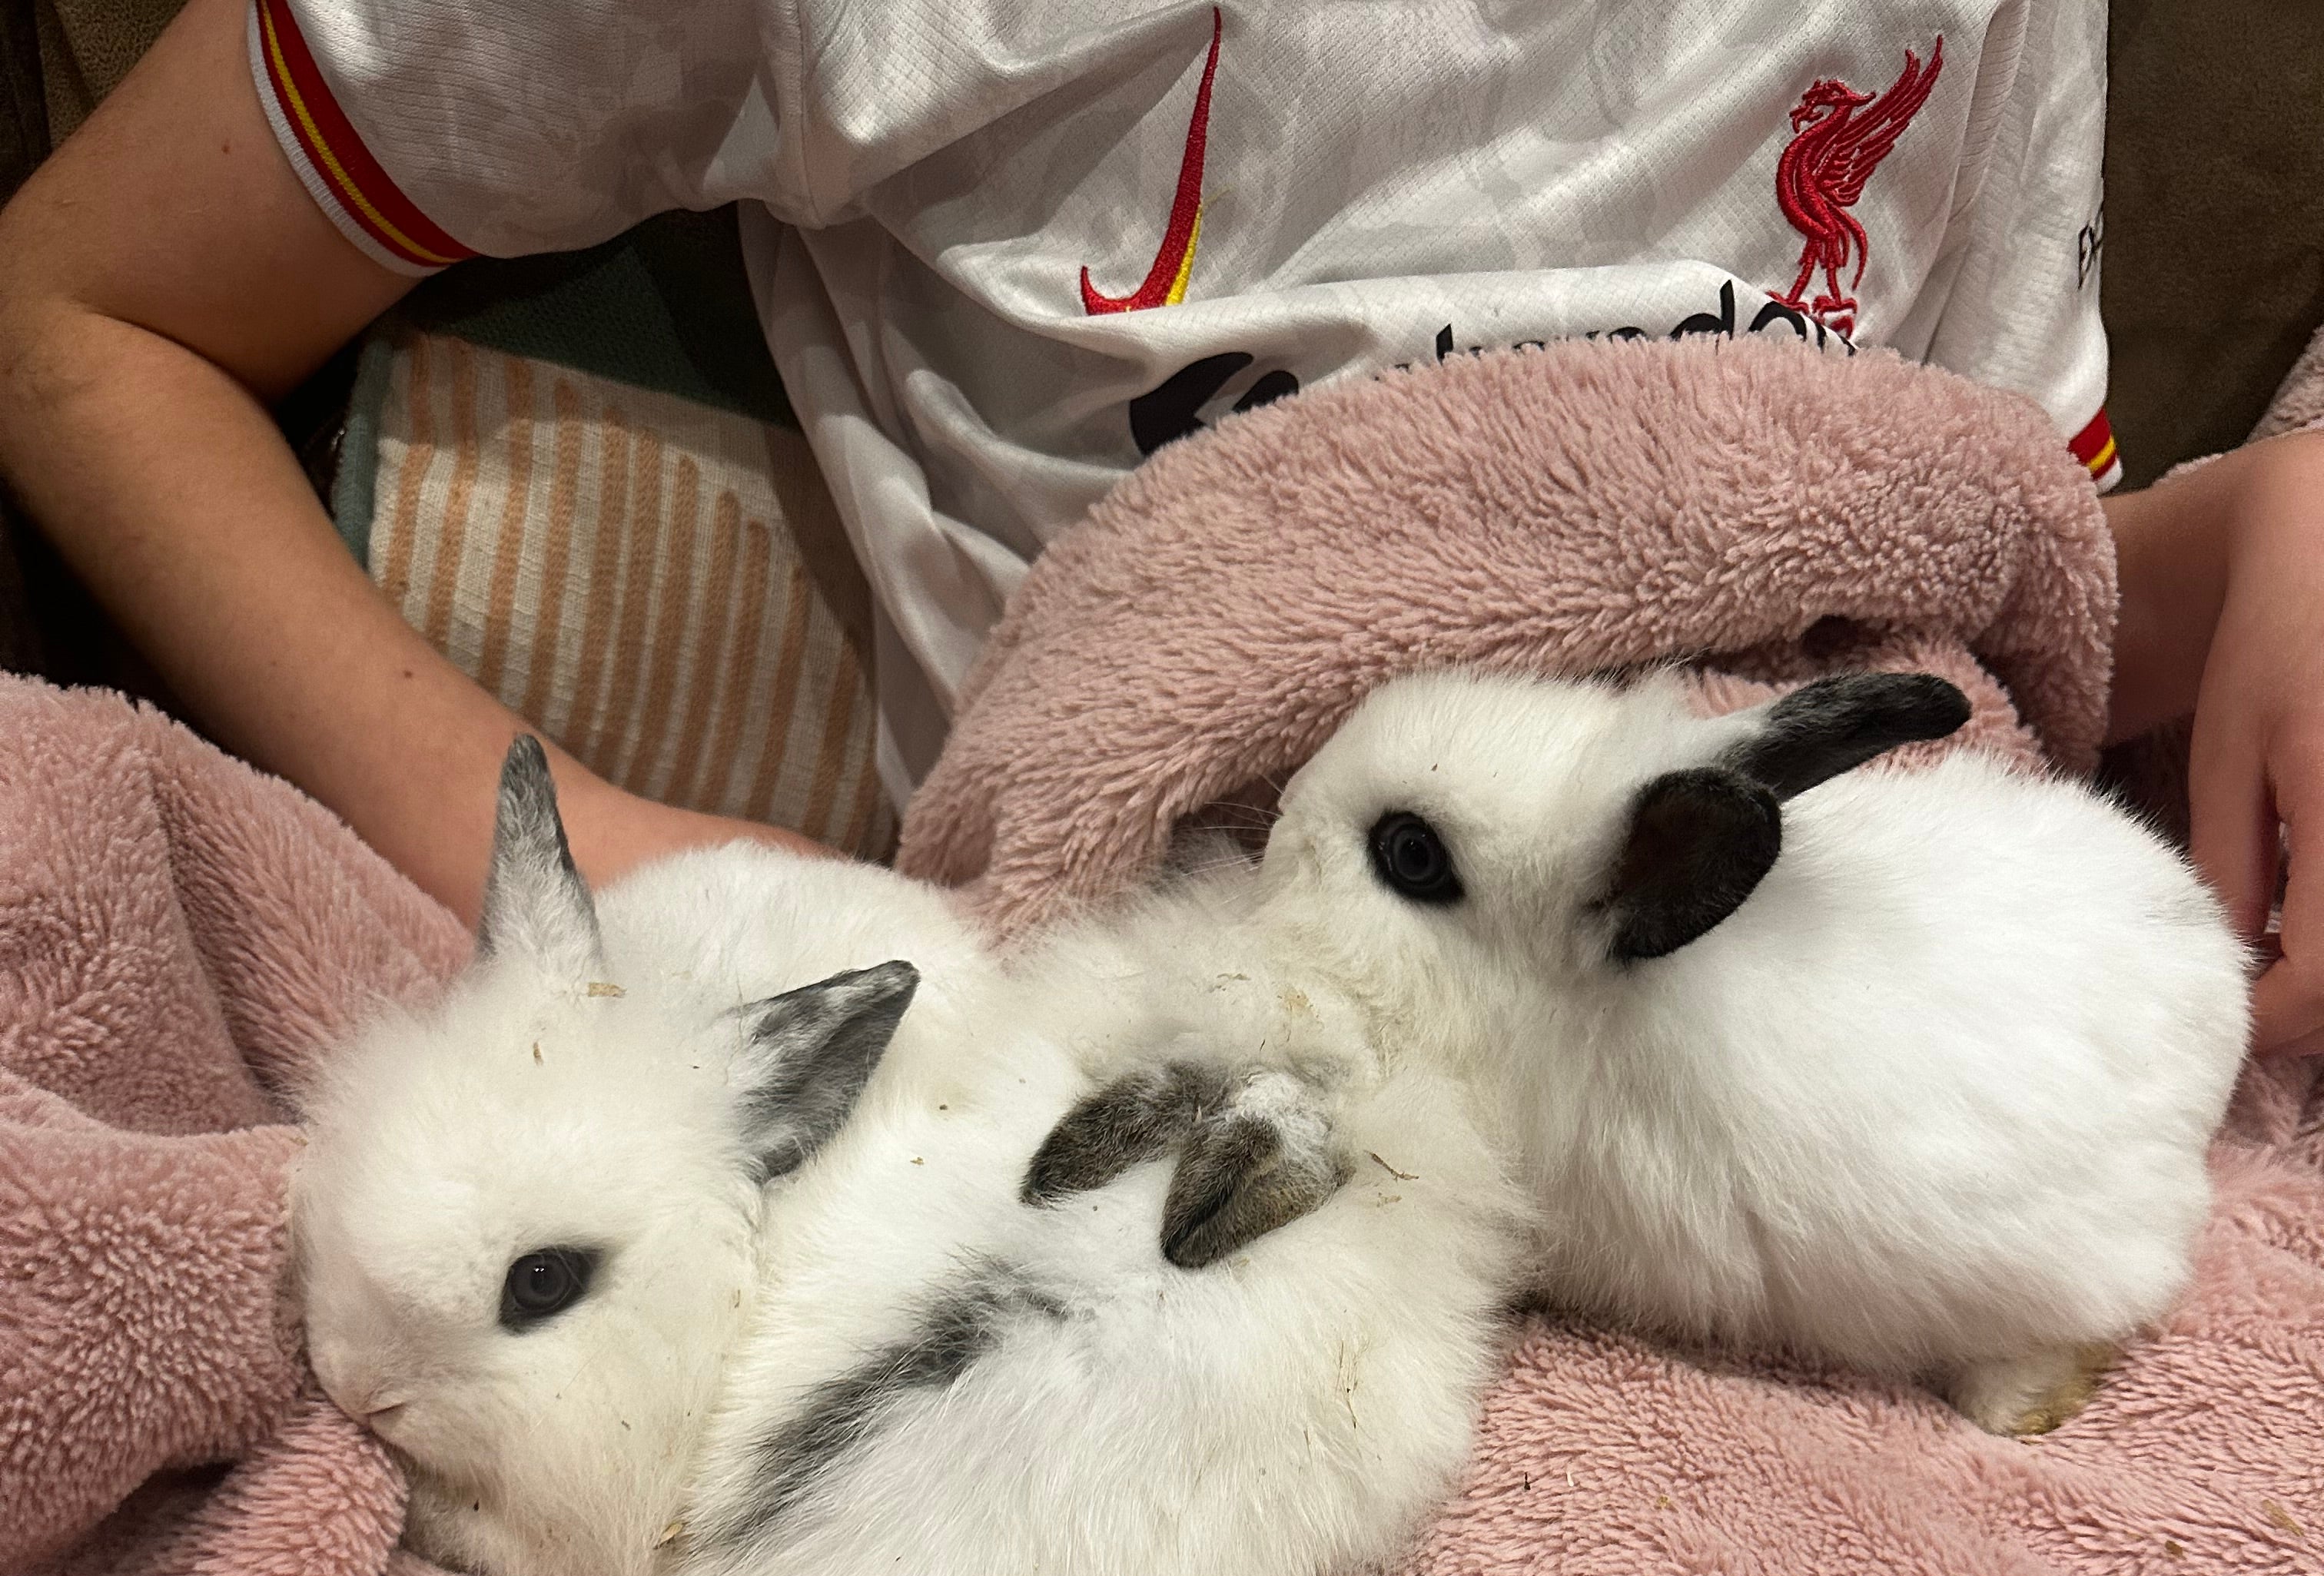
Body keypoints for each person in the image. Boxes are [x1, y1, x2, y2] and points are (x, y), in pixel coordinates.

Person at [0, 0, 2318, 1053]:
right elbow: (76, 316)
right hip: (1180, 1073)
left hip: (1884, 1054)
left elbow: (2013, 567)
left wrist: (2287, 503)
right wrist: (592, 846)